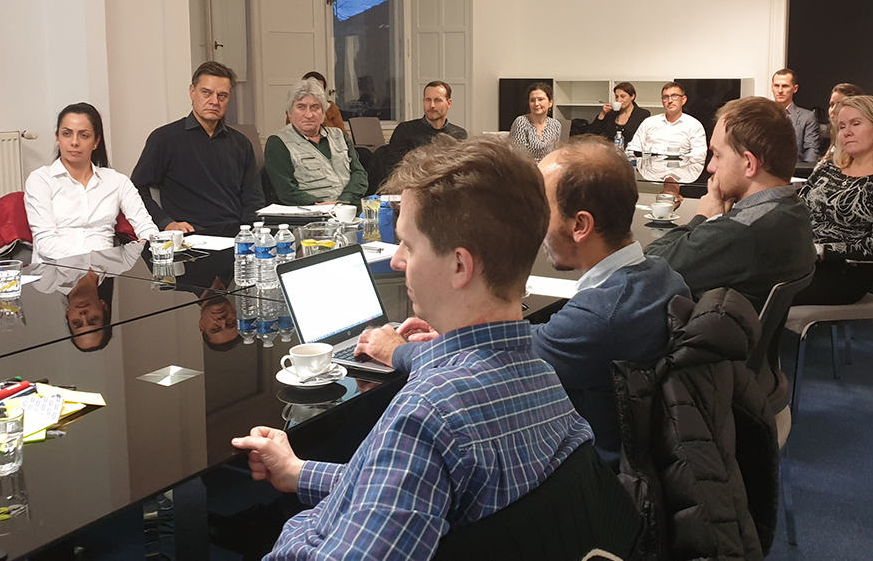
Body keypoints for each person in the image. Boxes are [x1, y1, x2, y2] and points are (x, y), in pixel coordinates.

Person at [231, 136, 591, 560]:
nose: (397, 260)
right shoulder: (544, 381)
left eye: (409, 244)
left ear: (459, 265)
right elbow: (406, 487)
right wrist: (299, 471)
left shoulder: (428, 415)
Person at [357, 137, 690, 468]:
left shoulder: (601, 316)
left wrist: (397, 350)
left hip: (601, 471)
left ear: (580, 225)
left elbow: (501, 357)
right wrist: (451, 338)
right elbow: (521, 341)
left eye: (541, 208)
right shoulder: (661, 275)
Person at [644, 96, 816, 311]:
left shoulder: (741, 231)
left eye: (717, 155)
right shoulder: (795, 208)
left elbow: (648, 267)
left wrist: (702, 218)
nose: (711, 167)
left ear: (749, 164)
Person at [794, 95, 873, 305]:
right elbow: (797, 208)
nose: (846, 132)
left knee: (761, 287)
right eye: (841, 127)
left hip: (843, 273)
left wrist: (823, 251)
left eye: (855, 124)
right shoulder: (829, 168)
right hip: (798, 258)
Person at [130, 61, 265, 236]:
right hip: (191, 236)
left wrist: (251, 233)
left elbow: (253, 197)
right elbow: (136, 189)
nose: (214, 101)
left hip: (236, 234)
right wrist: (166, 223)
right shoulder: (165, 139)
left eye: (222, 95)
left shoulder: (241, 143)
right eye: (206, 92)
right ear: (192, 92)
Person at [25, 103, 158, 263]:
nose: (74, 142)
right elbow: (45, 241)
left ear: (96, 141)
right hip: (54, 269)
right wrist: (94, 257)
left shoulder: (117, 181)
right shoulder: (41, 179)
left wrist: (145, 244)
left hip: (105, 272)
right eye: (66, 134)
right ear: (57, 138)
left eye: (84, 135)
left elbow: (146, 227)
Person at [264, 78, 368, 206]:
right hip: (311, 212)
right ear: (290, 113)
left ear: (323, 113)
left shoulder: (339, 135)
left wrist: (344, 200)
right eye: (301, 107)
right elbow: (286, 191)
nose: (309, 115)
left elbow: (359, 174)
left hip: (349, 207)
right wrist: (320, 204)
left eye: (315, 107)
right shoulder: (278, 143)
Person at [384, 81, 467, 168]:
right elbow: (393, 168)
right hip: (413, 176)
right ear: (423, 101)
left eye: (437, 100)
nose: (432, 105)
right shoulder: (405, 130)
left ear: (449, 103)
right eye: (428, 100)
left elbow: (461, 169)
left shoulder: (459, 135)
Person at [626, 82, 708, 160]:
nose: (670, 101)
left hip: (680, 168)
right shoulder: (649, 123)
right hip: (651, 168)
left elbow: (699, 155)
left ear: (683, 100)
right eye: (666, 97)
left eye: (674, 96)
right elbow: (632, 148)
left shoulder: (694, 125)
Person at [772, 68, 820, 164]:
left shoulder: (807, 117)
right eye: (776, 86)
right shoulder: (762, 115)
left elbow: (811, 149)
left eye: (785, 86)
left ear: (795, 89)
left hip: (797, 169)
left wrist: (807, 171)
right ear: (772, 88)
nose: (780, 90)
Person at [508, 82, 561, 161]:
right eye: (532, 100)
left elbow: (554, 154)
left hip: (548, 166)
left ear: (550, 103)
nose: (536, 104)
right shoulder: (521, 122)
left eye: (540, 99)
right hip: (526, 167)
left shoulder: (556, 125)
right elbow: (518, 155)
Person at [821, 82, 865, 162]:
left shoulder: (856, 145)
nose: (833, 110)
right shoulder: (835, 142)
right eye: (832, 105)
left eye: (840, 105)